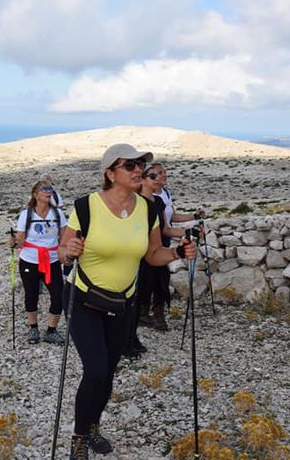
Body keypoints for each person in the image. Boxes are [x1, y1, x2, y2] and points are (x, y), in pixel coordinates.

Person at [60, 144, 196, 459]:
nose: (138, 170)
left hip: (122, 302)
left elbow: (153, 254)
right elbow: (63, 250)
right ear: (110, 173)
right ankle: (79, 438)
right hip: (83, 298)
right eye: (130, 165)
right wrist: (69, 252)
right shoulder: (86, 206)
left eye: (140, 165)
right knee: (95, 369)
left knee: (108, 371)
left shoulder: (148, 210)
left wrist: (177, 252)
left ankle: (93, 426)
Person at [10, 178, 67, 345]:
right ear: (35, 194)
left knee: (58, 296)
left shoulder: (58, 214)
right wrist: (13, 243)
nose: (49, 192)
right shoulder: (26, 214)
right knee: (31, 294)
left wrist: (66, 255)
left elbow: (64, 238)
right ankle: (33, 328)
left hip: (52, 260)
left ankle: (51, 330)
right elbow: (20, 241)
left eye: (50, 189)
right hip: (29, 260)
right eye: (45, 189)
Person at [137, 164, 188, 332]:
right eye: (153, 176)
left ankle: (158, 315)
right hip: (142, 250)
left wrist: (188, 232)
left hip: (160, 248)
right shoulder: (135, 202)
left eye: (159, 175)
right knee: (145, 282)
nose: (158, 178)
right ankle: (142, 313)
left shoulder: (158, 202)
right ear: (142, 180)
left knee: (161, 280)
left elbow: (165, 229)